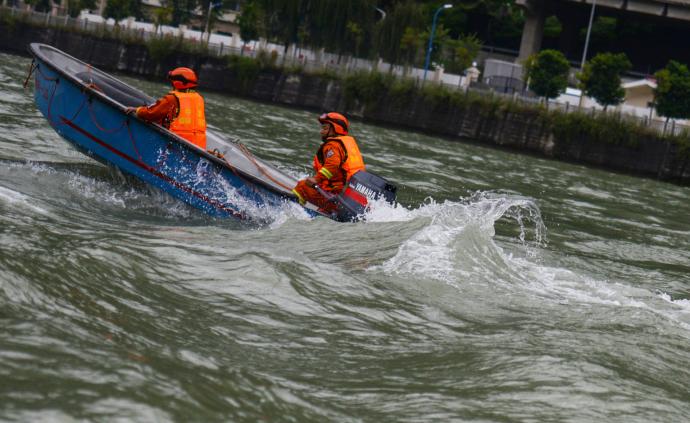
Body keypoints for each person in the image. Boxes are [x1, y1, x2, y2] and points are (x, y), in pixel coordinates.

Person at [292, 112, 366, 213]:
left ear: (335, 129)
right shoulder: (346, 144)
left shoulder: (333, 145)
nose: (321, 132)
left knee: (302, 186)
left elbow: (332, 165)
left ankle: (289, 210)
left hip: (336, 199)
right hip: (345, 199)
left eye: (325, 128)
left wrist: (316, 179)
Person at [126, 67, 207, 149]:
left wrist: (137, 110)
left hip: (175, 146)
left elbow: (151, 113)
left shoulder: (172, 99)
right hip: (198, 147)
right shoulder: (199, 99)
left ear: (177, 83)